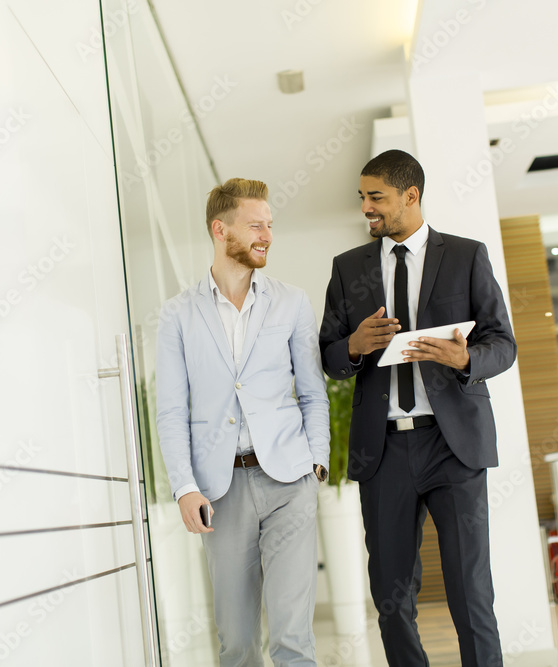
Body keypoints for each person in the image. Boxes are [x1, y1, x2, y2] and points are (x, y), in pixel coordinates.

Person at [320, 150, 515, 667]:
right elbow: (328, 355)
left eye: (375, 196)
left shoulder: (466, 256)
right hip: (382, 451)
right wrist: (355, 345)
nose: (366, 207)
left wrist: (465, 357)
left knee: (471, 591)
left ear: (411, 195)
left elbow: (504, 344)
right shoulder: (348, 269)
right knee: (391, 596)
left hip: (454, 447)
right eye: (362, 197)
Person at [156, 178, 330, 666]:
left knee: (293, 638)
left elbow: (313, 393)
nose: (267, 235)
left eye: (270, 225)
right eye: (256, 225)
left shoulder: (291, 301)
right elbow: (170, 411)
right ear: (220, 229)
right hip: (221, 489)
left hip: (289, 482)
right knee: (236, 642)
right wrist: (184, 487)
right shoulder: (177, 316)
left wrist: (316, 463)